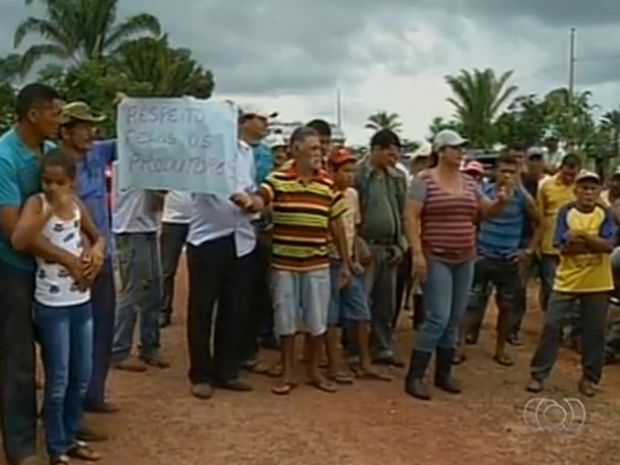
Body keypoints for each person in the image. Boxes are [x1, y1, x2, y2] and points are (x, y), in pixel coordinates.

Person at [11, 149, 104, 465]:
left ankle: (71, 435)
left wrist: (97, 253)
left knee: (81, 375)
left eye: (60, 182)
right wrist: (48, 212)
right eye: (47, 181)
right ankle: (56, 446)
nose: (53, 187)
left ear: (73, 182)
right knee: (58, 379)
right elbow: (20, 240)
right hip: (52, 305)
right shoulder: (37, 204)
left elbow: (96, 235)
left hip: (81, 302)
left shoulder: (77, 206)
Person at [244, 126, 352, 395]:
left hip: (317, 263)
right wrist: (249, 202)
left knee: (317, 321)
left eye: (320, 148)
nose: (319, 153)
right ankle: (289, 371)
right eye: (314, 148)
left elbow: (336, 223)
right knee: (286, 320)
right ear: (296, 149)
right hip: (285, 264)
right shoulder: (278, 179)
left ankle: (314, 370)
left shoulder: (327, 184)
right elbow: (262, 198)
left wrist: (347, 262)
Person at [403, 129, 508, 401]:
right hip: (436, 255)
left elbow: (487, 211)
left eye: (462, 147)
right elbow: (411, 217)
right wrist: (417, 253)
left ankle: (443, 372)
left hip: (464, 257)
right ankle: (415, 375)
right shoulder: (424, 180)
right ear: (441, 151)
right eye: (456, 147)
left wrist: (501, 202)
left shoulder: (470, 183)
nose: (461, 152)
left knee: (454, 317)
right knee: (438, 316)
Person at [0, 83, 68, 465]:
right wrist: (67, 259)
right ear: (33, 115)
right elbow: (14, 234)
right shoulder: (4, 157)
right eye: (55, 113)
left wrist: (90, 249)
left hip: (47, 267)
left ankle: (61, 427)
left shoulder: (46, 153)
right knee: (19, 357)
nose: (60, 120)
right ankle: (21, 446)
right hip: (12, 268)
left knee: (61, 348)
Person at [185, 105, 260, 400]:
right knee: (202, 310)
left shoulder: (246, 153)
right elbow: (205, 186)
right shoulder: (199, 152)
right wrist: (239, 199)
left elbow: (250, 186)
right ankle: (201, 374)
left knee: (235, 307)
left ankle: (226, 370)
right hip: (207, 239)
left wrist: (252, 200)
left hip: (241, 238)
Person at [58, 102, 119, 445]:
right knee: (72, 338)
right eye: (84, 127)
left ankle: (93, 393)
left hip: (101, 256)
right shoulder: (55, 164)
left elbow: (132, 140)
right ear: (66, 131)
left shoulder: (98, 153)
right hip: (71, 263)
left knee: (101, 327)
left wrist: (129, 111)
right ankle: (71, 412)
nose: (91, 132)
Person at [527, 170, 615, 397]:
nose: (588, 192)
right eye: (584, 188)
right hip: (567, 281)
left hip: (598, 283)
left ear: (598, 191)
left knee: (594, 333)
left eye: (593, 188)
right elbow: (563, 247)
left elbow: (608, 246)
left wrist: (583, 237)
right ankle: (538, 374)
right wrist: (592, 242)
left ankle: (590, 378)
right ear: (575, 190)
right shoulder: (566, 212)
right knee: (551, 326)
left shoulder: (604, 213)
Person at [456, 152, 541, 366]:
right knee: (471, 304)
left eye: (512, 172)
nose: (507, 176)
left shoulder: (522, 197)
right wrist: (473, 247)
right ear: (496, 172)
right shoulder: (485, 192)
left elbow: (541, 222)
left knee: (507, 307)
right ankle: (460, 346)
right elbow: (472, 219)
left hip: (508, 259)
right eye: (503, 171)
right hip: (484, 255)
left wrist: (528, 251)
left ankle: (500, 349)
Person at [326, 148, 391, 383]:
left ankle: (364, 363)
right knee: (330, 317)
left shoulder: (352, 195)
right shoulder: (324, 193)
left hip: (346, 263)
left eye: (352, 170)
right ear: (331, 170)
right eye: (344, 170)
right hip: (328, 261)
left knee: (362, 313)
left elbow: (353, 230)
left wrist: (352, 259)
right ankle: (334, 365)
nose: (350, 175)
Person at [353, 129, 407, 367]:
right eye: (389, 153)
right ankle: (355, 350)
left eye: (396, 155)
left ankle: (382, 348)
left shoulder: (396, 177)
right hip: (366, 246)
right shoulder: (359, 174)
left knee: (386, 304)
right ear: (375, 150)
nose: (393, 159)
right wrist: (357, 243)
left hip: (389, 247)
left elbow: (403, 212)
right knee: (360, 302)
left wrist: (401, 244)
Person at [111, 169, 169, 371]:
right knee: (132, 293)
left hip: (147, 228)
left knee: (154, 290)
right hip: (130, 230)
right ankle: (119, 349)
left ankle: (150, 346)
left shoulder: (149, 164)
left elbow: (156, 203)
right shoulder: (129, 162)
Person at [238, 104, 277, 373]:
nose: (266, 124)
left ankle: (251, 347)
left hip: (261, 228)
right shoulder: (227, 149)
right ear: (246, 120)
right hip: (233, 227)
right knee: (237, 294)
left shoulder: (265, 154)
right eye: (262, 119)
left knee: (259, 291)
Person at [159, 191, 192, 328]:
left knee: (201, 272)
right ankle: (163, 310)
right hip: (172, 219)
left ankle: (199, 312)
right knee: (167, 270)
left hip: (198, 218)